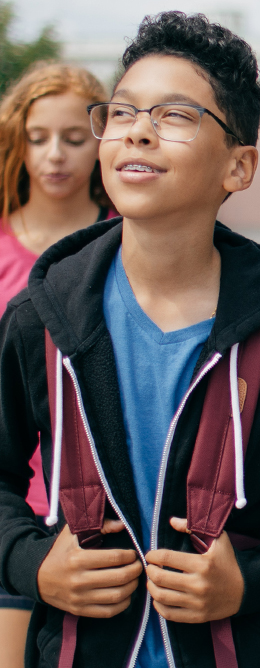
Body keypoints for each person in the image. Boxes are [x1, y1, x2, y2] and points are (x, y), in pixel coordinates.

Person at [0, 12, 260, 667]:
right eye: (121, 113)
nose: (140, 131)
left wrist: (258, 577)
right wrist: (34, 563)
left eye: (175, 115)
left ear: (238, 167)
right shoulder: (41, 316)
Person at [0, 62, 115, 668]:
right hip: (13, 503)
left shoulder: (125, 241)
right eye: (38, 137)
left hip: (93, 512)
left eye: (74, 139)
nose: (55, 156)